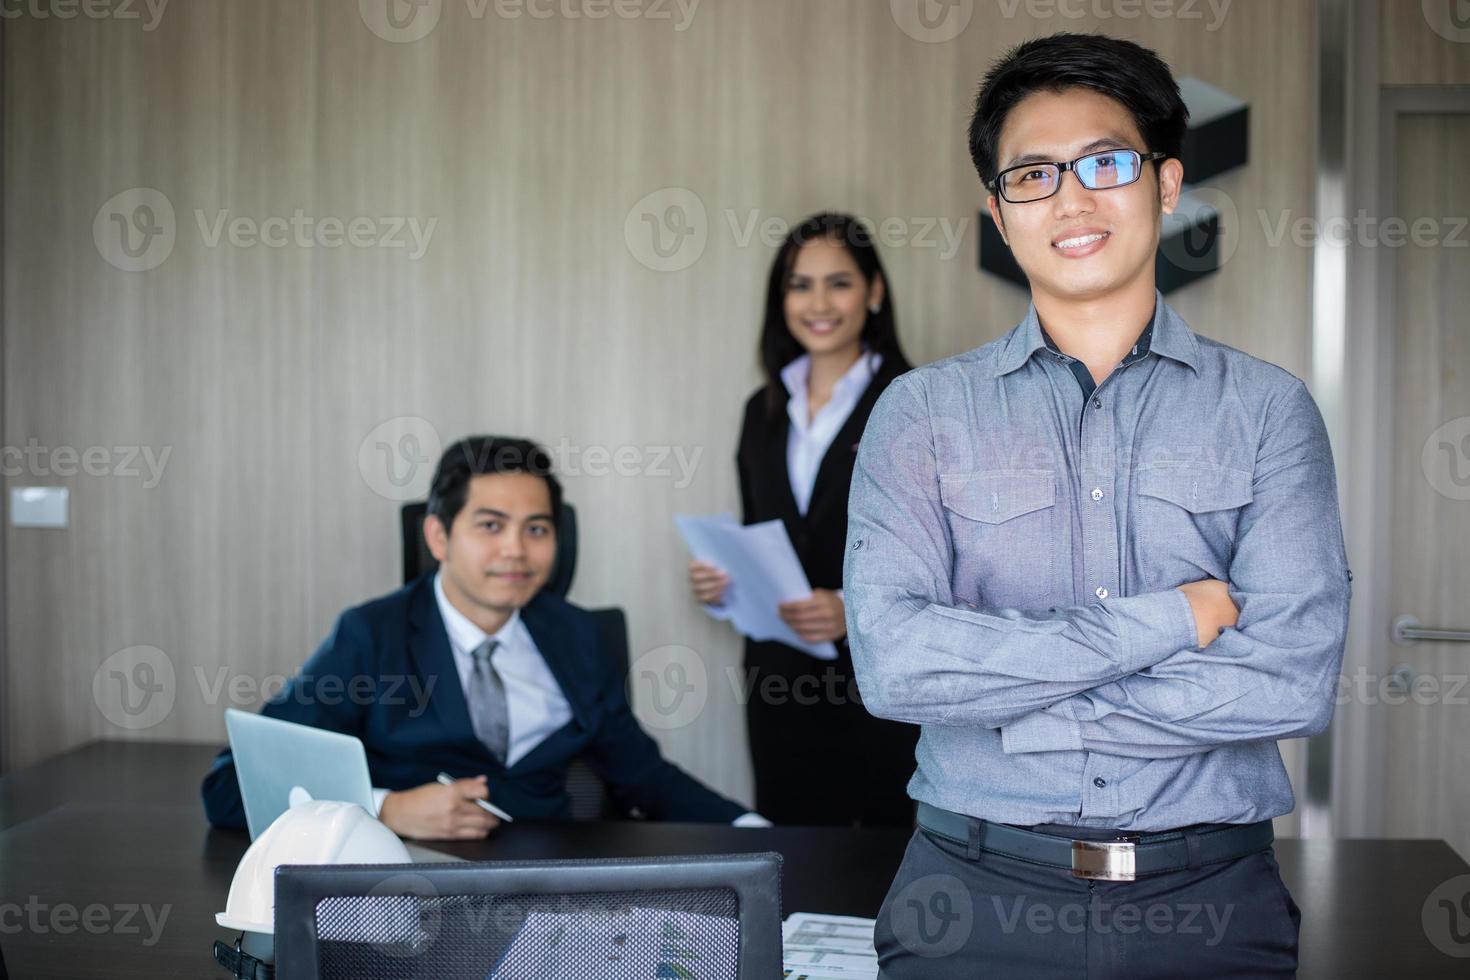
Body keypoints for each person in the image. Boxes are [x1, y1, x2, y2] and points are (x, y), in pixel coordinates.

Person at [845, 34, 1350, 977]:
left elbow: (1290, 679)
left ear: (1165, 185)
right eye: (1032, 175)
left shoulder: (1269, 412)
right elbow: (899, 667)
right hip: (972, 895)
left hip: (1209, 902)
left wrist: (1021, 710)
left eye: (1106, 164)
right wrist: (1178, 618)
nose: (1071, 200)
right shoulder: (920, 414)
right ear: (998, 215)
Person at [204, 435, 761, 839]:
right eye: (490, 526)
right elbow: (234, 787)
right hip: (410, 884)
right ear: (439, 536)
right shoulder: (372, 635)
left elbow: (644, 777)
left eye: (536, 529)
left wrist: (754, 829)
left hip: (554, 886)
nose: (516, 550)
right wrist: (385, 809)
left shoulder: (580, 636)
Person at [689, 212, 919, 827]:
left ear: (873, 292)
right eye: (799, 284)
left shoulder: (915, 401)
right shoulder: (760, 412)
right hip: (779, 688)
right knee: (792, 868)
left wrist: (854, 607)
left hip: (881, 688)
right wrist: (724, 587)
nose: (818, 303)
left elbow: (952, 558)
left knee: (881, 871)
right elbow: (762, 537)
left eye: (838, 282)